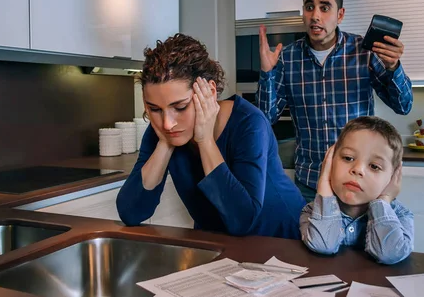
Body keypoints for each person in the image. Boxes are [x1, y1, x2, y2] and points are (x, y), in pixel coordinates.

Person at [116, 33, 306, 239]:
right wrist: (165, 143)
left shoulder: (249, 123)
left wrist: (205, 140)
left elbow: (243, 220)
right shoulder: (163, 130)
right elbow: (131, 212)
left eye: (180, 107)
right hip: (220, 243)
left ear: (210, 93)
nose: (167, 123)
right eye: (154, 109)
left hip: (282, 239)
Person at [256, 0, 413, 202]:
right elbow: (265, 117)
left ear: (340, 14)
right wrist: (266, 73)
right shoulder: (287, 58)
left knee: (364, 238)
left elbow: (404, 105)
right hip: (310, 182)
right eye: (309, 7)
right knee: (310, 238)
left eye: (325, 7)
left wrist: (394, 68)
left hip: (359, 180)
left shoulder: (363, 52)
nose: (315, 16)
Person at [299, 116, 413, 264]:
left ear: (392, 177)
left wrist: (383, 200)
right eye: (348, 158)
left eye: (374, 166)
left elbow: (389, 254)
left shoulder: (401, 216)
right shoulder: (312, 212)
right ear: (330, 161)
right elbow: (323, 245)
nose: (358, 170)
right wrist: (324, 185)